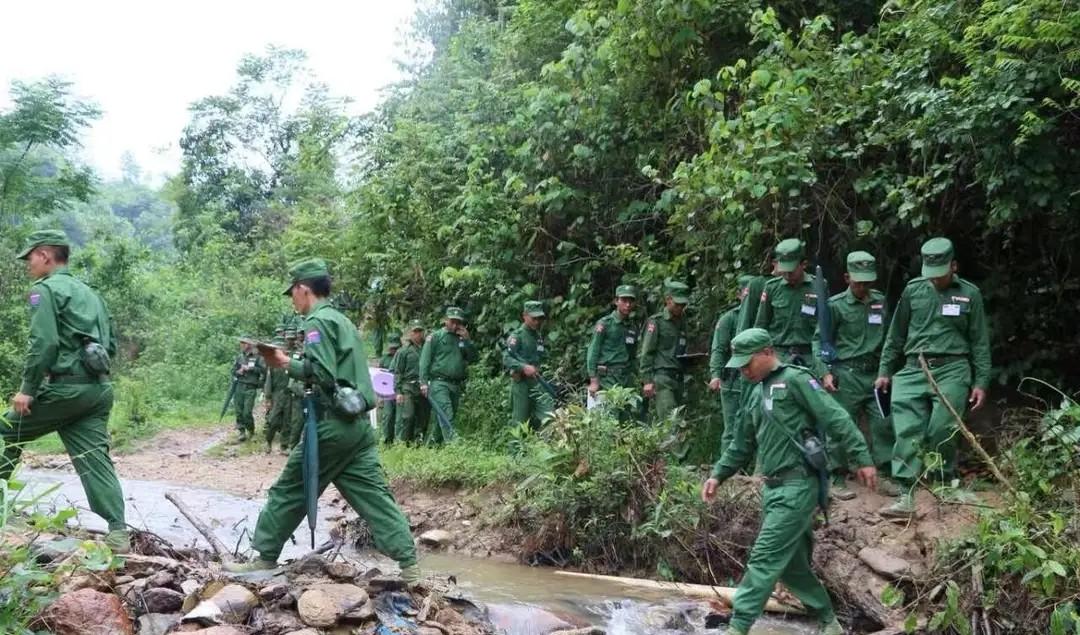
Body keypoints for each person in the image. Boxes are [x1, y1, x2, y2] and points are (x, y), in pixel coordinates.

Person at [226, 258, 419, 583]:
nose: (292, 300)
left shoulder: (316, 322)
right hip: (359, 426)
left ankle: (264, 556)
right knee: (374, 496)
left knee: (290, 488)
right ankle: (410, 566)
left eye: (293, 293)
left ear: (304, 289)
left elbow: (323, 374)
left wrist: (285, 362)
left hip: (332, 425)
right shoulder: (342, 321)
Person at [702, 328, 877, 635]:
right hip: (772, 490)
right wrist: (718, 474)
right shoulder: (754, 392)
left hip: (798, 487)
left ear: (767, 353)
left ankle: (738, 627)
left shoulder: (796, 379)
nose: (743, 369)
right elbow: (741, 444)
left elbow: (834, 417)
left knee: (765, 557)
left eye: (747, 362)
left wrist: (862, 458)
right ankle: (828, 622)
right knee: (792, 567)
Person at [1, 230, 130, 552]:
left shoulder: (44, 290)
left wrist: (27, 389)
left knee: (6, 428)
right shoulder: (91, 293)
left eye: (30, 257)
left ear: (45, 255)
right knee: (94, 459)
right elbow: (110, 345)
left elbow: (44, 342)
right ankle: (117, 532)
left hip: (65, 390)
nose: (28, 264)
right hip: (97, 390)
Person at [876, 237, 990, 517]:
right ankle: (906, 494)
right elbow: (895, 335)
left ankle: (944, 483)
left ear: (954, 266)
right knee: (906, 429)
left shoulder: (969, 294)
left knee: (942, 429)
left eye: (941, 275)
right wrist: (884, 372)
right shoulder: (913, 290)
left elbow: (979, 342)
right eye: (931, 275)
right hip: (914, 368)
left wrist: (981, 382)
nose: (935, 281)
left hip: (953, 368)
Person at [813, 251, 898, 499]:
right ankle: (837, 477)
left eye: (867, 282)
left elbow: (890, 339)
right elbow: (819, 341)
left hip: (875, 375)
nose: (863, 287)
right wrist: (825, 373)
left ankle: (884, 473)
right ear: (847, 277)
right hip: (846, 375)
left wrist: (886, 370)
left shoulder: (880, 302)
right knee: (840, 426)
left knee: (883, 424)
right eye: (858, 281)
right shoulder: (835, 306)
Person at [708, 275, 754, 459]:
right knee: (732, 427)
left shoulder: (761, 315)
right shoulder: (729, 319)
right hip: (732, 381)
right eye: (746, 292)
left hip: (755, 380)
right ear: (739, 294)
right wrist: (715, 374)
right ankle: (728, 473)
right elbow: (718, 349)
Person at [754, 239, 818, 366]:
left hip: (810, 356)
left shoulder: (818, 286)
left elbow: (825, 324)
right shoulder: (772, 287)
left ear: (803, 264)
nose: (787, 275)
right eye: (784, 271)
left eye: (791, 271)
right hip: (779, 356)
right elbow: (761, 325)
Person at [419, 307, 477, 444]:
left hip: (456, 384)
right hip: (439, 383)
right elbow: (424, 361)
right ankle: (454, 447)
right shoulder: (435, 337)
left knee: (443, 418)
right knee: (446, 415)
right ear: (446, 320)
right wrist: (423, 382)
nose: (455, 325)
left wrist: (468, 340)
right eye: (452, 321)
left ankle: (432, 447)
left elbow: (473, 358)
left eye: (458, 322)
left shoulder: (461, 338)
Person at [639, 280, 691, 420]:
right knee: (669, 421)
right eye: (677, 304)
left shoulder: (683, 321)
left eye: (683, 305)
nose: (680, 308)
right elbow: (646, 352)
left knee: (679, 421)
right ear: (668, 300)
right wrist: (647, 381)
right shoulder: (656, 322)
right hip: (662, 378)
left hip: (678, 378)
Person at [503, 301, 554, 429]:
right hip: (521, 384)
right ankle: (517, 449)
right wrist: (523, 367)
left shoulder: (538, 336)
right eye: (533, 318)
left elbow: (542, 356)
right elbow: (507, 358)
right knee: (520, 423)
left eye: (539, 319)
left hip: (537, 382)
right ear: (524, 316)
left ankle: (546, 446)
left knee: (550, 416)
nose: (537, 322)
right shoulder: (517, 336)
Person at [585, 285, 638, 407]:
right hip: (607, 377)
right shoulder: (605, 324)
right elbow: (593, 351)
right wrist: (593, 379)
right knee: (609, 414)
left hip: (625, 377)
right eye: (624, 301)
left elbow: (633, 355)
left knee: (626, 415)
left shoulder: (632, 327)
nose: (628, 305)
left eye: (631, 301)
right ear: (616, 301)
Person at [393, 321, 429, 444]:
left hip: (423, 385)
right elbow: (398, 372)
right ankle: (404, 442)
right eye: (415, 331)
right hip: (408, 386)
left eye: (420, 331)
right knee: (408, 415)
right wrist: (398, 392)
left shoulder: (427, 348)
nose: (418, 334)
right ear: (410, 333)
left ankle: (418, 441)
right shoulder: (403, 351)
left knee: (423, 416)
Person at [230, 340, 266, 442]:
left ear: (249, 345)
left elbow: (263, 371)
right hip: (239, 386)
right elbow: (233, 371)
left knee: (247, 412)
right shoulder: (239, 357)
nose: (242, 345)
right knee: (239, 411)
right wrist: (239, 371)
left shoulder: (257, 357)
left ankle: (251, 430)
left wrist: (250, 368)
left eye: (244, 343)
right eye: (241, 343)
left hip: (250, 387)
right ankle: (242, 432)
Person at [264, 329, 292, 453]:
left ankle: (284, 446)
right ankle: (268, 442)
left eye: (282, 348)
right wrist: (268, 398)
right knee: (273, 420)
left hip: (289, 395)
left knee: (287, 421)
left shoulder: (291, 362)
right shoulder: (272, 364)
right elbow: (268, 381)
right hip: (277, 395)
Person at [378, 334, 401, 445]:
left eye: (396, 348)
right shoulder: (384, 359)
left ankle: (400, 441)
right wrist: (380, 396)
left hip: (401, 390)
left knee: (401, 417)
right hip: (388, 392)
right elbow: (379, 378)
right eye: (392, 348)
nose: (394, 350)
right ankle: (387, 441)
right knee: (388, 416)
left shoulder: (403, 355)